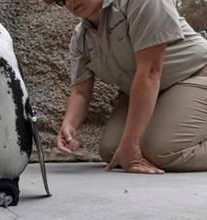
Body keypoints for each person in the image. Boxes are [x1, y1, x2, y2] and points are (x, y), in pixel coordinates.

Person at [44, 0, 207, 174]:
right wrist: (69, 124)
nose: (69, 2)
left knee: (163, 150)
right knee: (112, 150)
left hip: (195, 73)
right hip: (153, 90)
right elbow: (80, 92)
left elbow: (151, 71)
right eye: (60, 0)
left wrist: (132, 143)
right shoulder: (80, 39)